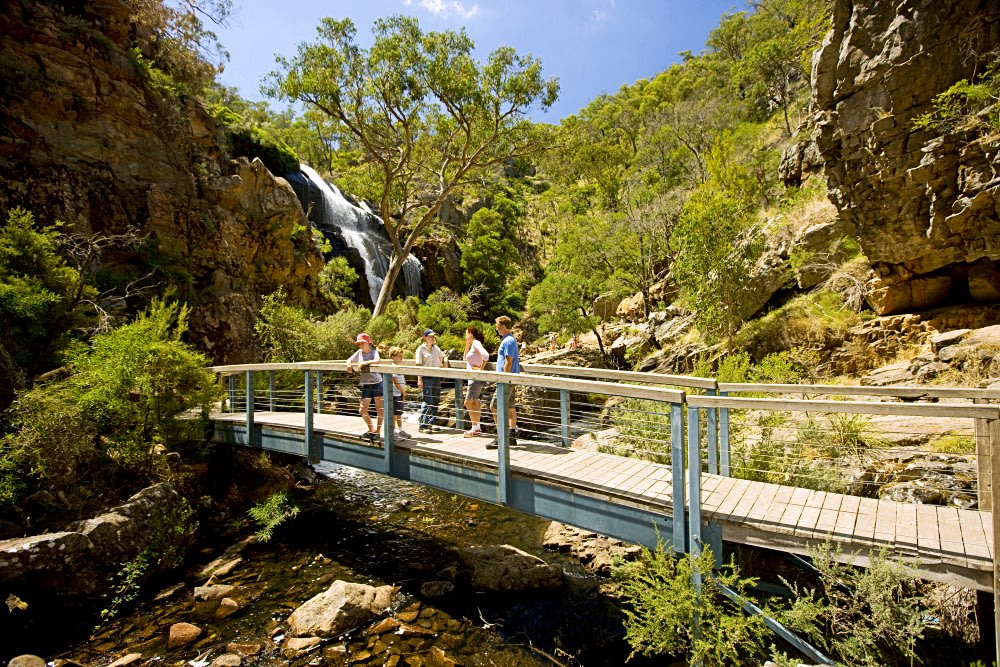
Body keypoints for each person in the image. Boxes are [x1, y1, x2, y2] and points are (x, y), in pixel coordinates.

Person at [487, 315, 520, 450]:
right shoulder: (510, 340)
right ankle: (511, 436)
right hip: (511, 378)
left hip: (506, 379)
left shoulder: (508, 341)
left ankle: (501, 437)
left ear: (503, 327)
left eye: (498, 327)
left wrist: (503, 378)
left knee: (494, 406)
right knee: (510, 406)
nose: (496, 329)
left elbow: (508, 361)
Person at [345, 332, 383, 441]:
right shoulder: (359, 352)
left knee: (379, 409)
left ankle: (378, 432)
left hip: (377, 383)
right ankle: (371, 429)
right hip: (366, 384)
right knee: (362, 410)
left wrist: (364, 363)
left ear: (368, 343)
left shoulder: (374, 352)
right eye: (359, 344)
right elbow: (349, 359)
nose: (361, 345)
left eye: (362, 343)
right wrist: (349, 364)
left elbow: (377, 361)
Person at [415, 328, 445, 433]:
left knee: (436, 400)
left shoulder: (436, 348)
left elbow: (443, 356)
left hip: (436, 377)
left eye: (433, 336)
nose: (433, 338)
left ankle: (431, 423)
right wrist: (419, 379)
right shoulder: (420, 349)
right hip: (426, 378)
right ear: (425, 337)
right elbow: (418, 365)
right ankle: (423, 425)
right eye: (430, 336)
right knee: (428, 401)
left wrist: (445, 364)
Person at [462, 326, 489, 437]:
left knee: (468, 402)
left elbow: (486, 355)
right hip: (472, 378)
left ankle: (475, 428)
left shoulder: (476, 343)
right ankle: (476, 428)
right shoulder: (473, 344)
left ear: (470, 334)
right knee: (474, 402)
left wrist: (480, 369)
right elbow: (465, 358)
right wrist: (467, 345)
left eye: (466, 333)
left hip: (475, 378)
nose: (465, 336)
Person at [388, 346, 409, 439]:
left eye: (401, 356)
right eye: (399, 356)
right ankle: (393, 431)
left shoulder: (399, 366)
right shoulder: (393, 367)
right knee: (395, 414)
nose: (401, 358)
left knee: (399, 412)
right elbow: (395, 382)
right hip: (395, 393)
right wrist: (403, 392)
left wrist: (402, 393)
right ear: (393, 357)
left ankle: (400, 430)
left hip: (399, 393)